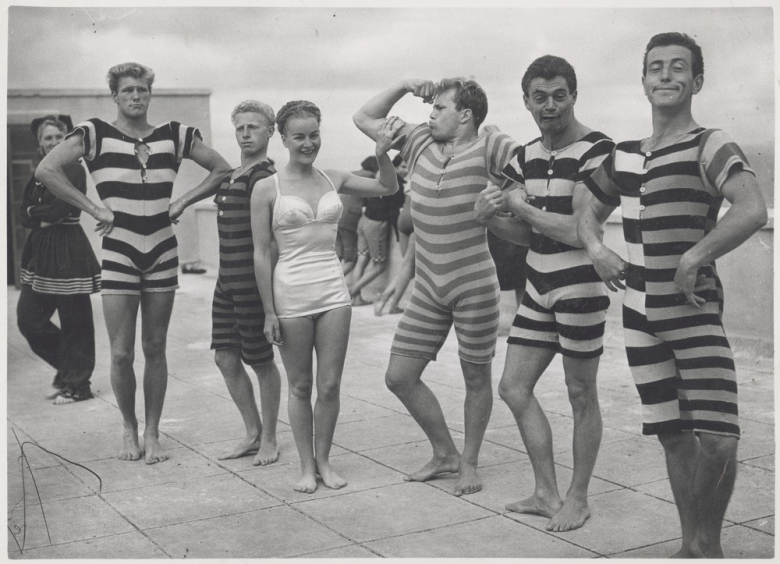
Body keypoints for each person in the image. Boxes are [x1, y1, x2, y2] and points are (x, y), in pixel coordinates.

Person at [577, 33, 767, 557]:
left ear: (696, 81)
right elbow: (586, 211)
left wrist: (693, 257)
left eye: (677, 67)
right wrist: (596, 249)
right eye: (655, 67)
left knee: (720, 438)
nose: (665, 75)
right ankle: (690, 546)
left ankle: (710, 543)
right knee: (674, 435)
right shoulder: (623, 156)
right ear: (643, 82)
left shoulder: (710, 143)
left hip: (693, 311)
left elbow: (752, 208)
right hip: (638, 316)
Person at [36, 62, 232, 464]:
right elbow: (46, 169)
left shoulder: (174, 134)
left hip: (162, 250)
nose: (136, 96)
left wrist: (182, 201)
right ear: (115, 96)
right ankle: (129, 427)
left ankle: (153, 431)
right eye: (128, 90)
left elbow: (222, 169)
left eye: (142, 90)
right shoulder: (93, 132)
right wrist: (94, 208)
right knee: (121, 353)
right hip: (119, 252)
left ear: (150, 94)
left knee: (155, 347)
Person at [353, 78, 524, 496]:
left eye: (439, 108)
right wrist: (404, 86)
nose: (429, 115)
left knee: (476, 379)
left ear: (465, 115)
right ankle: (445, 452)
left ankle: (469, 463)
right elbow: (364, 117)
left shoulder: (491, 145)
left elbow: (529, 174)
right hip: (428, 287)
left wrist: (505, 202)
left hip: (474, 285)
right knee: (399, 376)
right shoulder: (419, 142)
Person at [475, 55, 615, 532]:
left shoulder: (598, 150)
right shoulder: (524, 155)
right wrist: (489, 217)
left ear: (573, 96)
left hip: (580, 290)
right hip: (537, 288)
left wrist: (517, 205)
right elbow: (523, 234)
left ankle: (578, 498)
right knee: (513, 387)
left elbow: (579, 231)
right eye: (540, 97)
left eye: (559, 95)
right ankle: (545, 493)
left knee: (581, 394)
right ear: (526, 101)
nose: (550, 105)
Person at [250, 100, 400, 493]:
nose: (308, 143)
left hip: (334, 291)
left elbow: (388, 187)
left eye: (314, 134)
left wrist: (382, 153)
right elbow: (261, 253)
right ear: (283, 139)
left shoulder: (334, 178)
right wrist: (268, 312)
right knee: (300, 385)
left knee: (330, 385)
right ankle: (305, 467)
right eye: (298, 136)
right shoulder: (267, 188)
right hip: (290, 294)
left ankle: (324, 462)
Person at [211, 100, 282, 465]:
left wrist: (270, 304)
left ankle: (269, 438)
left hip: (252, 284)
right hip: (226, 281)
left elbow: (270, 244)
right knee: (225, 356)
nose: (245, 134)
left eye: (253, 127)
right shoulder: (233, 175)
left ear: (270, 131)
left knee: (261, 361)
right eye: (240, 128)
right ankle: (252, 432)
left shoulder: (265, 178)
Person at [17, 115, 101, 404]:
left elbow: (58, 212)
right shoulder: (40, 172)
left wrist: (35, 214)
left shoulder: (74, 170)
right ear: (40, 143)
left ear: (67, 141)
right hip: (40, 251)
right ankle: (68, 370)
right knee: (29, 319)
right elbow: (22, 213)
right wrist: (37, 216)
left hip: (67, 249)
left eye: (58, 137)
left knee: (75, 321)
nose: (53, 143)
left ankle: (78, 385)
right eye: (47, 138)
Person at [348, 156, 405, 306]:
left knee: (362, 260)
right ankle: (351, 293)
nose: (406, 171)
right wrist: (399, 234)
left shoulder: (380, 176)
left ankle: (356, 298)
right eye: (403, 167)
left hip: (364, 220)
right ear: (395, 167)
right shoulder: (396, 183)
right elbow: (394, 211)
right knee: (379, 266)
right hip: (376, 225)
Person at [374, 154, 415, 316]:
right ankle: (391, 304)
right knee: (409, 267)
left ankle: (384, 297)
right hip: (415, 218)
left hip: (402, 219)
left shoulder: (410, 177)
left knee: (407, 267)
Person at [336, 157, 373, 275]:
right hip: (350, 220)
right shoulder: (370, 176)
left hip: (338, 216)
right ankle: (330, 283)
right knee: (350, 260)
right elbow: (372, 199)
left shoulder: (352, 173)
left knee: (337, 256)